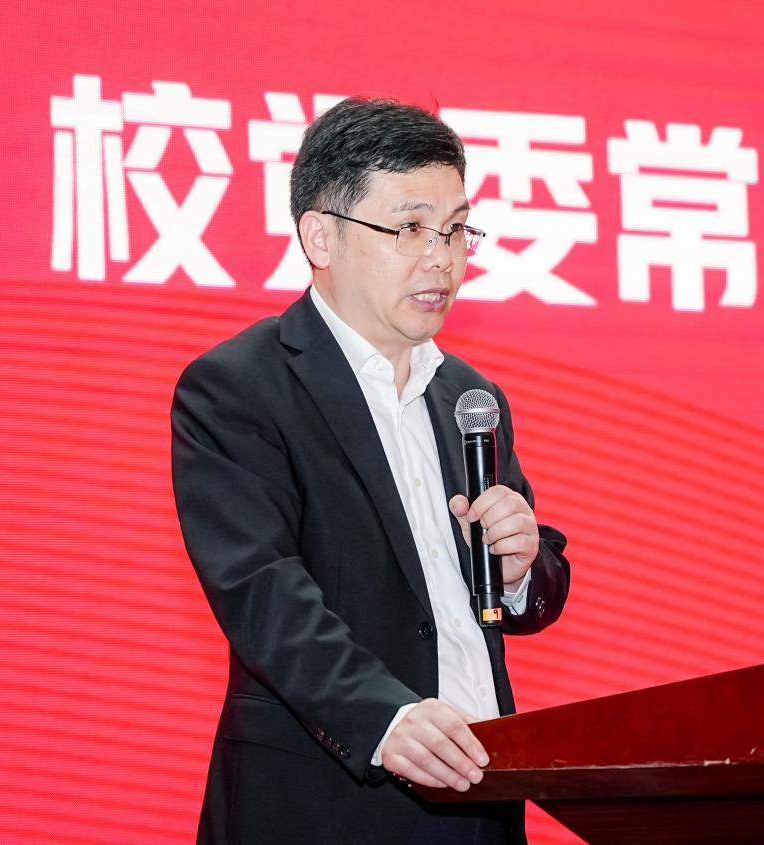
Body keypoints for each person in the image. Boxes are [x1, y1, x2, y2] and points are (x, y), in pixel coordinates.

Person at [170, 97, 571, 845]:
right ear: (320, 236)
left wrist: (519, 567)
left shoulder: (468, 396)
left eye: (455, 230)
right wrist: (385, 715)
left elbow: (528, 596)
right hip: (326, 801)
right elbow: (262, 591)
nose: (441, 259)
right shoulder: (240, 386)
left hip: (483, 795)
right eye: (411, 228)